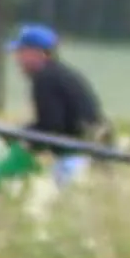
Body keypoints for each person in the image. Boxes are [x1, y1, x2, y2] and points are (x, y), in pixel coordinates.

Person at [10, 25, 104, 183]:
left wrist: (17, 138)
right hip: (90, 152)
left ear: (37, 53)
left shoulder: (45, 79)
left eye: (21, 52)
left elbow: (51, 127)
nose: (17, 59)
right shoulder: (59, 74)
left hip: (76, 158)